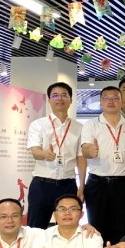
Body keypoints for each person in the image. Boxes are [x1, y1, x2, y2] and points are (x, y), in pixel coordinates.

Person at [81, 86, 125, 248]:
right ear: (101, 102)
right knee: (97, 230)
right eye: (106, 98)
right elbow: (84, 150)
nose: (111, 101)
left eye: (115, 98)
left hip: (123, 184)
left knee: (120, 229)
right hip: (97, 183)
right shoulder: (91, 125)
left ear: (121, 101)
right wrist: (89, 151)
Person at [26, 82, 86, 229]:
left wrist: (81, 186)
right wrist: (44, 154)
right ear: (49, 100)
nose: (60, 99)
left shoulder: (79, 128)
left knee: (69, 227)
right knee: (36, 228)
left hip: (68, 185)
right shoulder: (38, 125)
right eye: (55, 95)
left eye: (64, 95)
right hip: (42, 185)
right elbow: (35, 151)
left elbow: (81, 158)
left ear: (71, 100)